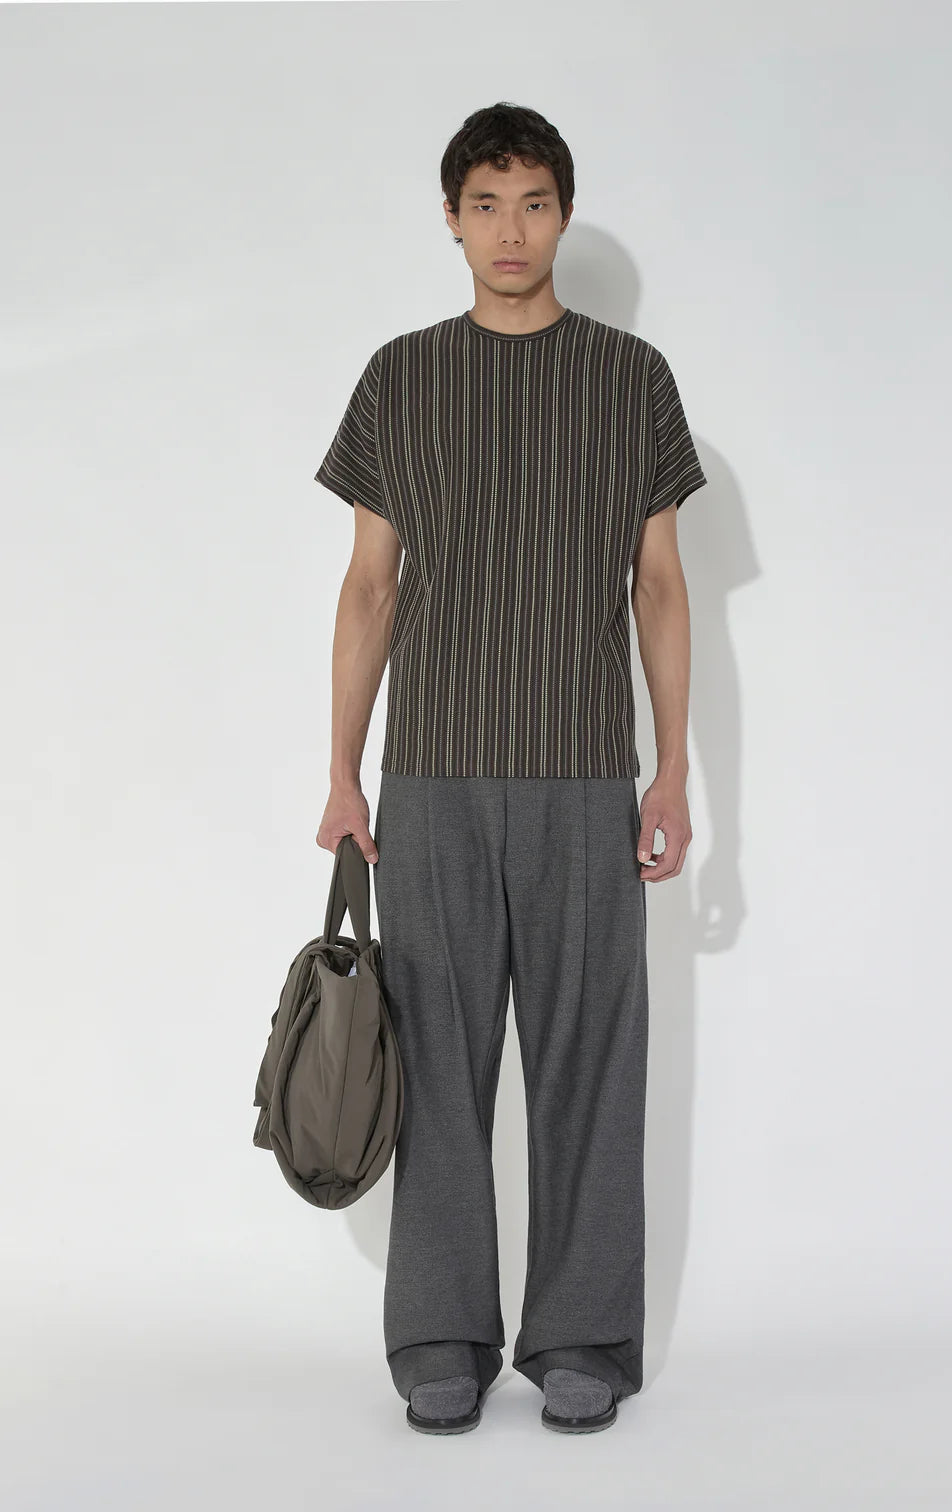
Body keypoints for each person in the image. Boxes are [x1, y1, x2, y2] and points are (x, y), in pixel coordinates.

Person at [313, 101, 707, 1435]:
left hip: (587, 774)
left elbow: (661, 586)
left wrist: (672, 772)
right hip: (431, 775)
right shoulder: (401, 378)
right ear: (450, 219)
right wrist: (343, 771)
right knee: (435, 1055)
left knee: (591, 1054)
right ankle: (440, 1334)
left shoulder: (631, 379)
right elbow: (370, 588)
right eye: (485, 204)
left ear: (563, 214)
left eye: (533, 203)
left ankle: (583, 1335)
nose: (510, 230)